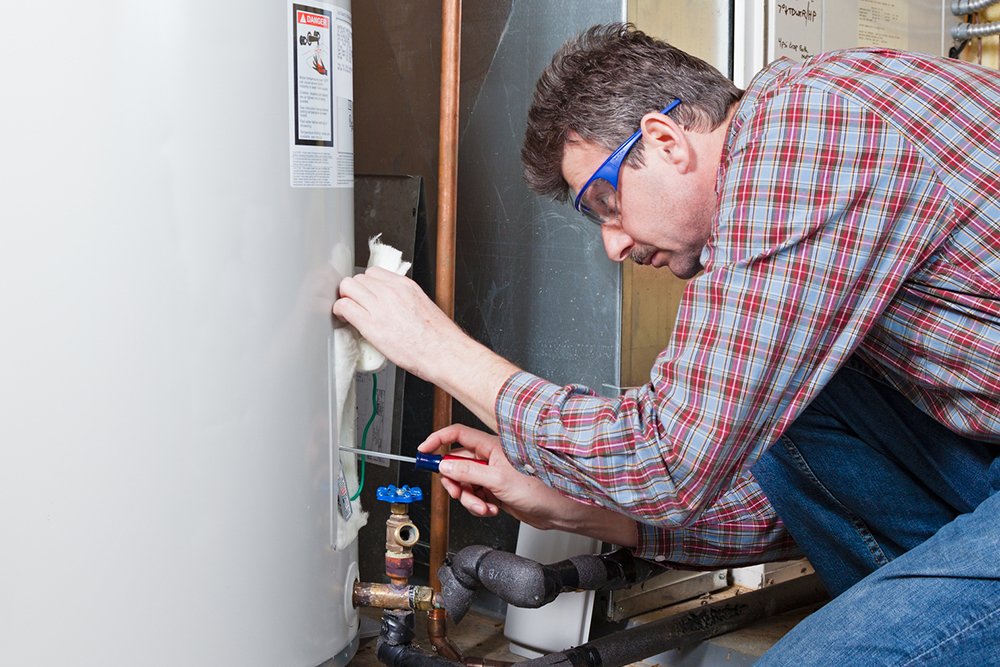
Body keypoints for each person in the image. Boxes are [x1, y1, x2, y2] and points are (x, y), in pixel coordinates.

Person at [335, 24, 1000, 665]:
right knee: (770, 418)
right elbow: (803, 498)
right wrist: (579, 508)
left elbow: (671, 456)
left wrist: (440, 351)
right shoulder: (800, 129)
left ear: (665, 140)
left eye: (603, 202)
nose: (614, 244)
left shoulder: (808, 132)